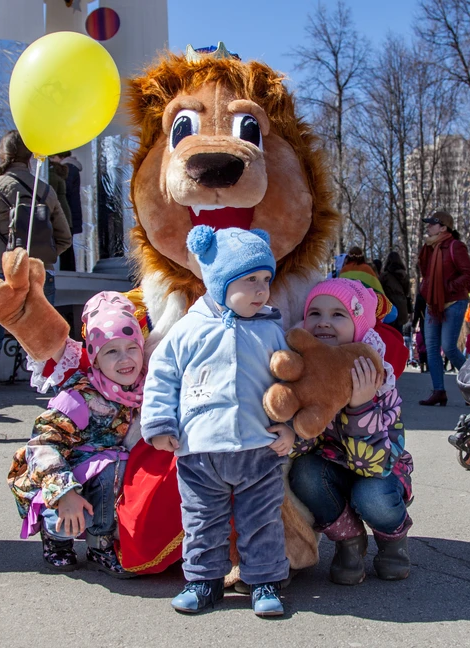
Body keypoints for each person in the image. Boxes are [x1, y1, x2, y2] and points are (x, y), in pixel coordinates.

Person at [141, 226, 292, 617]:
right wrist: (160, 424)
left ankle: (263, 582)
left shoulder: (272, 330)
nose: (262, 290)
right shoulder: (189, 329)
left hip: (259, 449)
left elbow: (290, 384)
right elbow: (162, 376)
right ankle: (203, 582)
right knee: (202, 521)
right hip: (200, 450)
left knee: (261, 521)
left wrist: (290, 427)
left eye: (266, 280)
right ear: (220, 282)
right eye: (249, 280)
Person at [9, 291, 144, 577]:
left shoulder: (139, 391)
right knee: (93, 484)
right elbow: (41, 445)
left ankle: (100, 543)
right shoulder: (80, 397)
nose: (125, 359)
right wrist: (65, 492)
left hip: (104, 472)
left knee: (116, 468)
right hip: (59, 474)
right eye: (111, 351)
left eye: (131, 348)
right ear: (94, 360)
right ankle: (56, 538)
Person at [289, 278, 413, 586]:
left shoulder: (379, 379)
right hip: (332, 471)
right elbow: (300, 450)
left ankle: (392, 539)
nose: (324, 323)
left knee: (371, 494)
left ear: (359, 326)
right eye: (315, 314)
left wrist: (360, 406)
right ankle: (349, 540)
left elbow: (372, 465)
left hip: (378, 472)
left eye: (338, 315)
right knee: (304, 472)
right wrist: (309, 407)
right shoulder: (305, 371)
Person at [0, 130, 72, 441]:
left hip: (1, 277)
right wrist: (40, 261)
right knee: (49, 347)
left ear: (3, 155)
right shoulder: (45, 191)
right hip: (39, 276)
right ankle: (65, 418)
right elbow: (64, 238)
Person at [417, 210, 470, 406]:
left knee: (449, 347)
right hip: (433, 304)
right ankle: (439, 391)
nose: (428, 227)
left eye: (432, 223)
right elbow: (426, 274)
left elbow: (469, 275)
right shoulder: (429, 247)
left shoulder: (455, 246)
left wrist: (447, 288)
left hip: (453, 302)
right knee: (432, 348)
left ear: (443, 227)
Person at [50, 151, 83, 271]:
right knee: (67, 244)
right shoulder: (72, 168)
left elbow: (65, 190)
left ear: (60, 157)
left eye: (53, 157)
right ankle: (68, 269)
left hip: (67, 211)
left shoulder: (68, 169)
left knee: (65, 245)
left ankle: (67, 270)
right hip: (71, 211)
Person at [379, 251, 410, 332]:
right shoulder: (404, 276)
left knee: (388, 334)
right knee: (399, 334)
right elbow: (407, 292)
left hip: (389, 307)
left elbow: (379, 291)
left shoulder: (385, 276)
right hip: (402, 308)